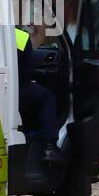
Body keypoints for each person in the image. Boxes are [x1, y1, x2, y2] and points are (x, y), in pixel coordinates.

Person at [16, 18, 63, 163]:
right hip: (17, 89)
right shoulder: (21, 37)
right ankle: (49, 146)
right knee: (47, 97)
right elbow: (28, 71)